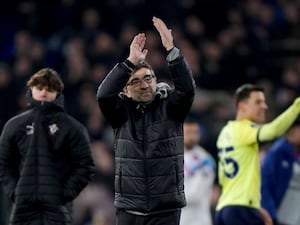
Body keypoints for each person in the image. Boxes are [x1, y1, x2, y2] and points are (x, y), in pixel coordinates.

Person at [96, 16, 195, 225]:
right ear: (126, 90)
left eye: (148, 78)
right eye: (136, 81)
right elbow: (103, 95)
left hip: (165, 209)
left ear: (156, 80)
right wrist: (130, 61)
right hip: (130, 209)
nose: (144, 85)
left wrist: (171, 50)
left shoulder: (171, 107)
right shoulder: (120, 111)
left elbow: (187, 89)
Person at [0, 68, 95, 225]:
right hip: (23, 208)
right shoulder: (15, 125)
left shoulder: (71, 127)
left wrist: (65, 193)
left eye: (49, 88)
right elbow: (3, 163)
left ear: (57, 92)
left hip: (57, 208)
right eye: (40, 87)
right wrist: (16, 192)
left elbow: (85, 165)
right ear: (31, 89)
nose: (44, 92)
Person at [215, 83, 300, 225]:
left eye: (264, 102)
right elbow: (272, 131)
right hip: (242, 209)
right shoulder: (244, 129)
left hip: (224, 209)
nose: (264, 106)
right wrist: (297, 106)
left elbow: (229, 180)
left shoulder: (225, 132)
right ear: (242, 106)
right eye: (258, 102)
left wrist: (257, 207)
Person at [261, 120, 300, 225]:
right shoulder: (276, 153)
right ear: (291, 131)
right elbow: (265, 185)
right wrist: (270, 213)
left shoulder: (296, 154)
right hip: (280, 216)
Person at [180, 117, 216, 225]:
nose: (192, 136)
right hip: (179, 219)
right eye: (188, 132)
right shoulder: (172, 157)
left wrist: (167, 198)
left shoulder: (205, 160)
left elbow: (195, 194)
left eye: (195, 132)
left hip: (199, 220)